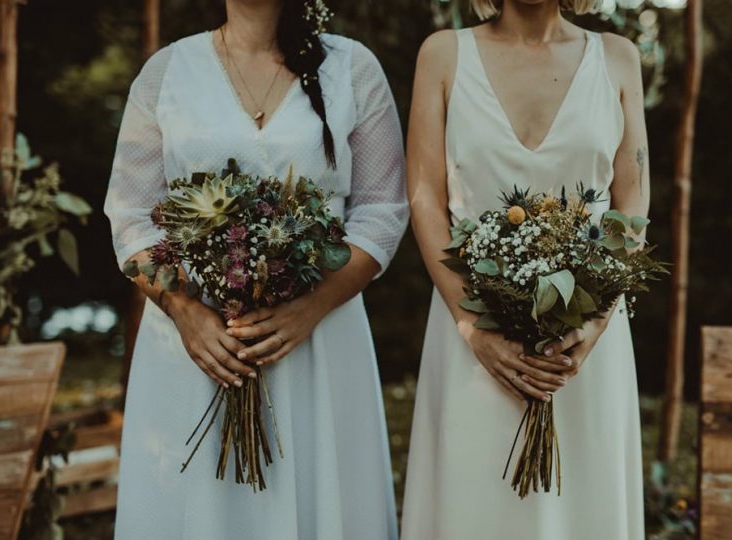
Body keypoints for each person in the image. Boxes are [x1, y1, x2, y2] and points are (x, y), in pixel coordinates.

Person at [103, 1, 407, 538]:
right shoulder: (168, 72)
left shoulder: (352, 69)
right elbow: (130, 216)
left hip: (318, 341)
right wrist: (185, 312)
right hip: (197, 349)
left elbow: (382, 211)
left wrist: (310, 307)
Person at [401, 0, 649, 537]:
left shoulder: (618, 58)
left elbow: (631, 202)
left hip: (586, 348)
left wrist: (593, 323)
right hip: (472, 332)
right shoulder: (444, 55)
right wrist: (473, 327)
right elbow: (424, 197)